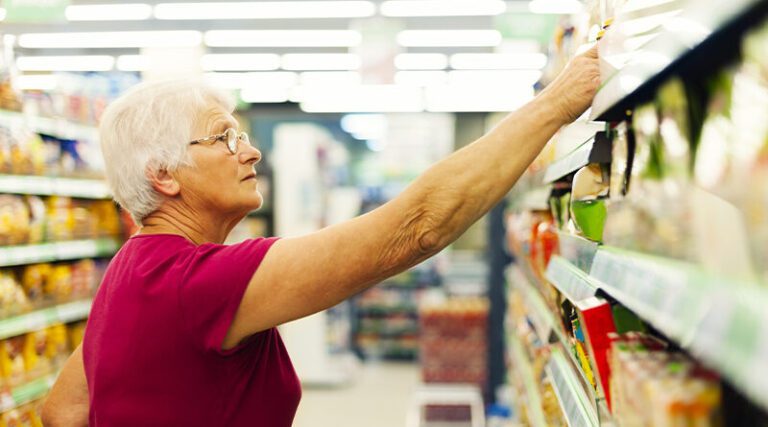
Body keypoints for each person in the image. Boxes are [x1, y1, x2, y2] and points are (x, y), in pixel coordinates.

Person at [41, 45, 600, 426]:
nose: (251, 151)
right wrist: (557, 102)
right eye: (224, 138)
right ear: (162, 176)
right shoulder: (201, 282)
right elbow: (418, 227)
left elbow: (63, 411)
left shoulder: (129, 272)